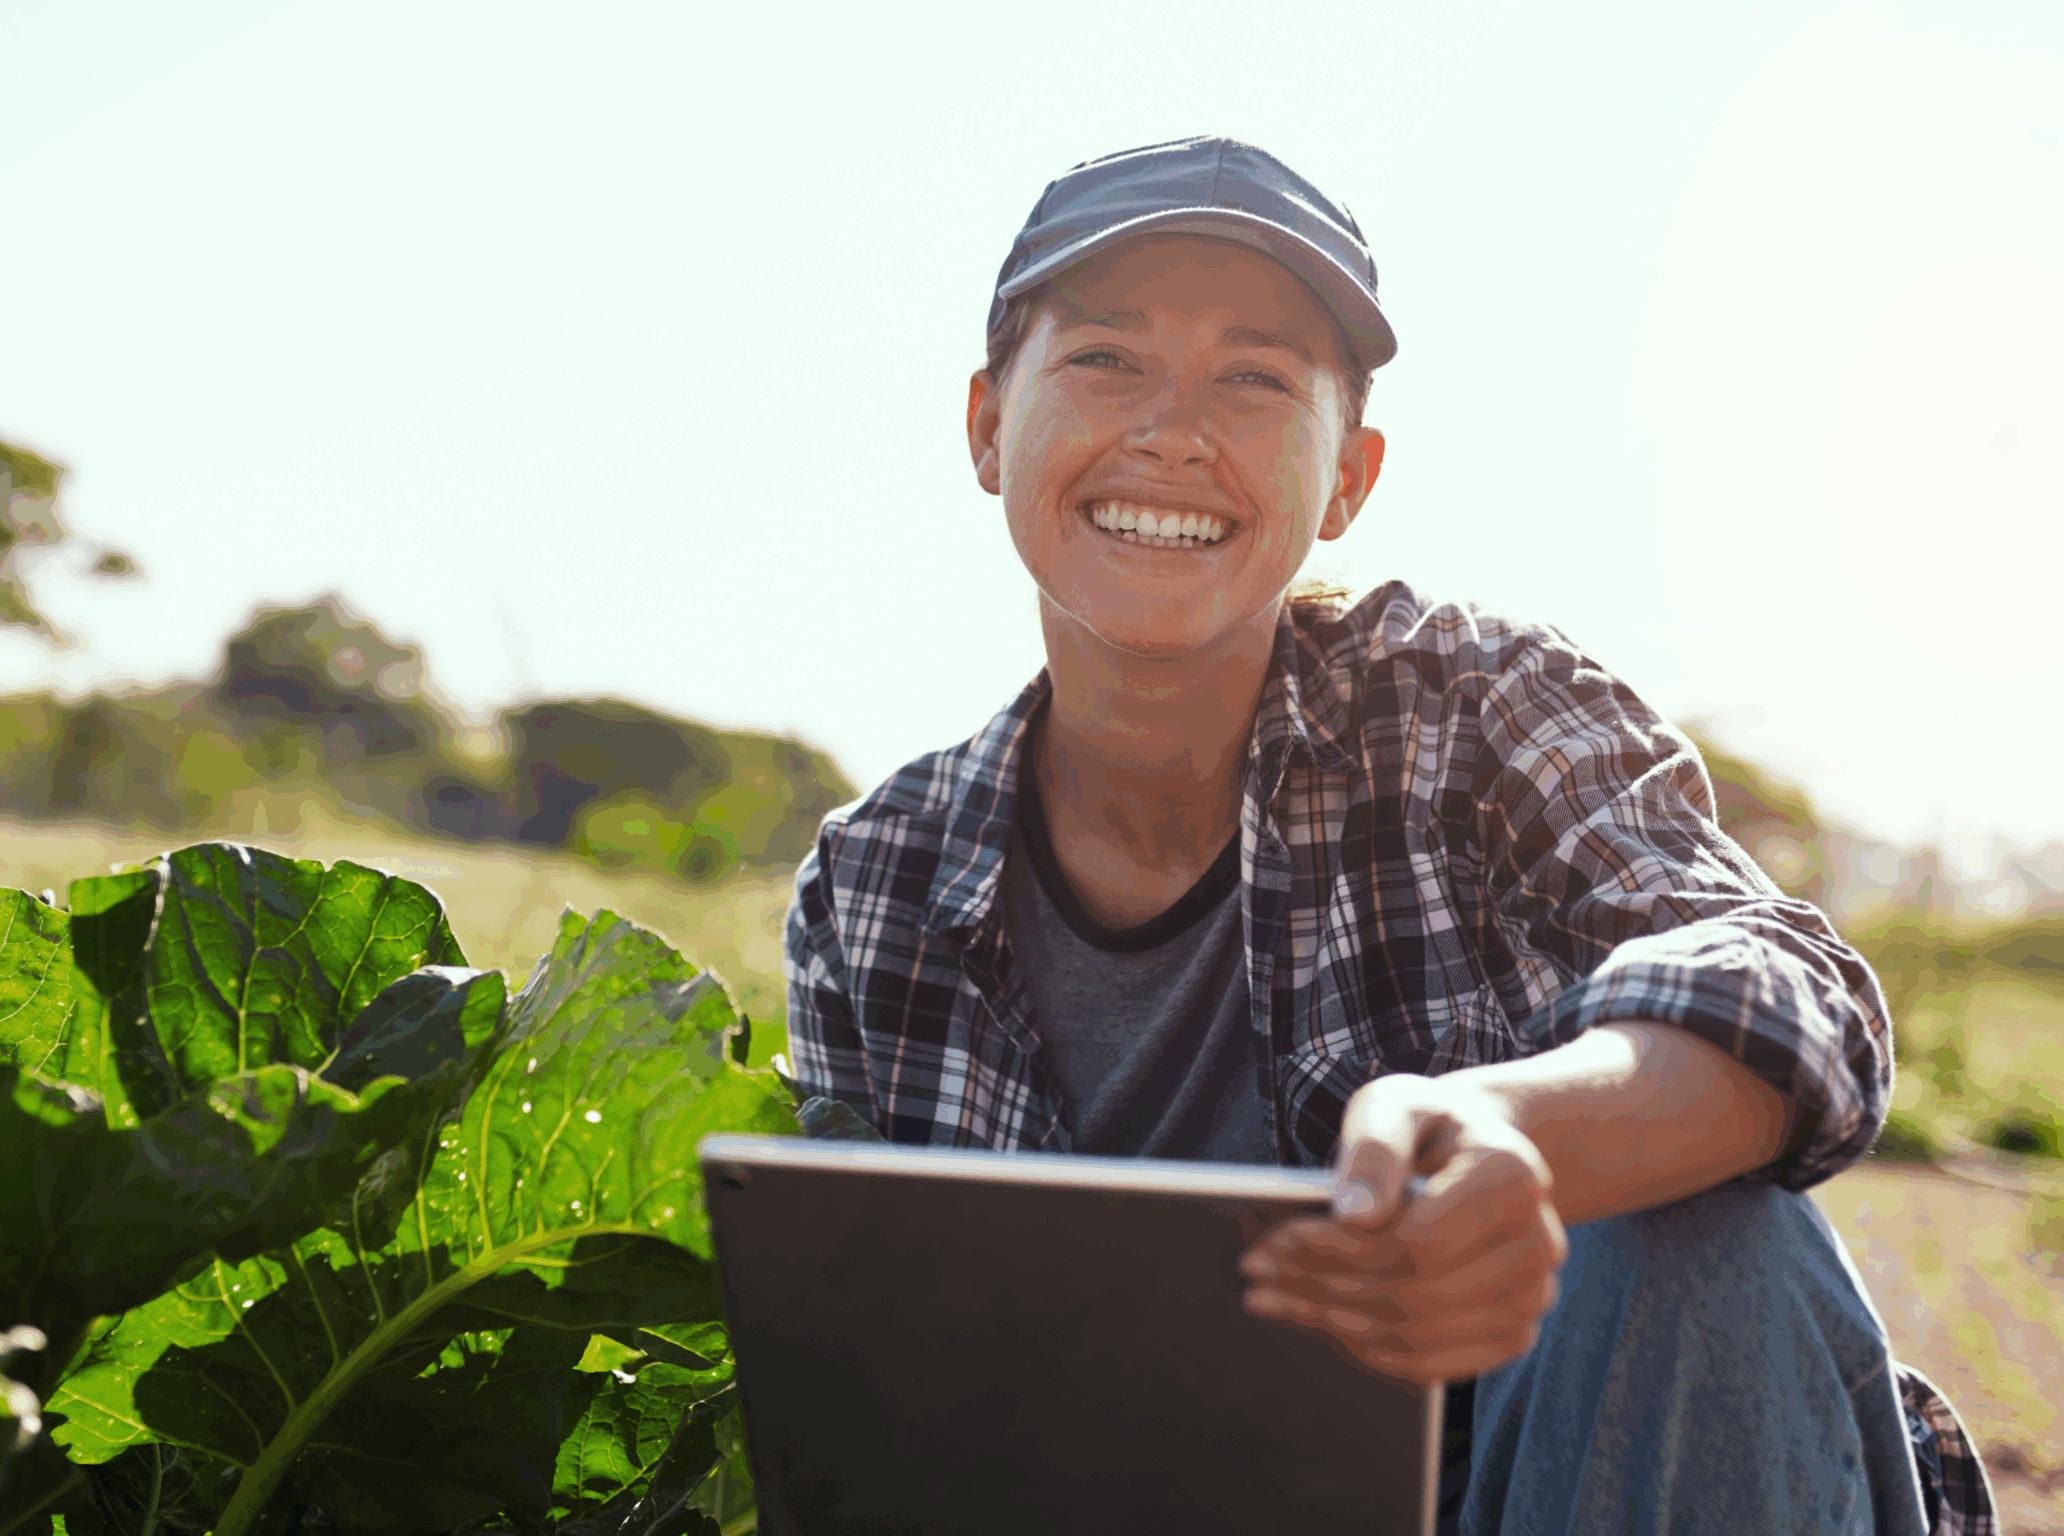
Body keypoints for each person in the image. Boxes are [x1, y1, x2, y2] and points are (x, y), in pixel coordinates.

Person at [780, 137, 1994, 1535]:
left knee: (1705, 1234)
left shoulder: (1478, 707)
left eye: (1254, 378)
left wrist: (1519, 1133)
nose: (1172, 431)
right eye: (1107, 358)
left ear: (1348, 477)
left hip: (1558, 1488)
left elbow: (1786, 979)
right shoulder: (874, 886)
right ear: (989, 427)